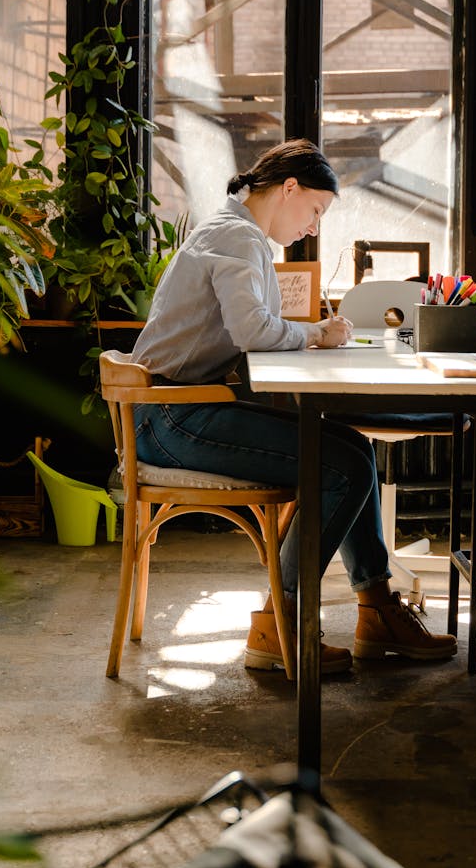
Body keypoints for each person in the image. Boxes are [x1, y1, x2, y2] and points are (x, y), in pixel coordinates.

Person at [131, 139, 457, 675]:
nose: (312, 226)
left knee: (351, 448)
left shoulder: (230, 231)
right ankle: (280, 625)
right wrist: (319, 335)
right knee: (346, 464)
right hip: (173, 415)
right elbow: (253, 331)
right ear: (289, 189)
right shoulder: (239, 238)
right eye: (316, 211)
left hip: (175, 408)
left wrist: (311, 335)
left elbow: (247, 330)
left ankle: (375, 612)